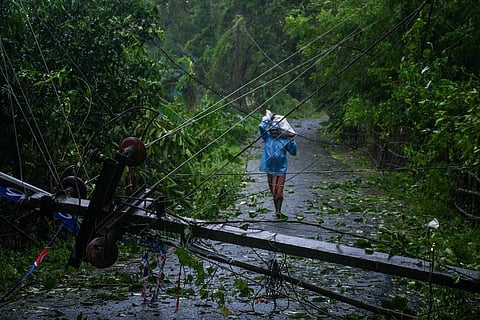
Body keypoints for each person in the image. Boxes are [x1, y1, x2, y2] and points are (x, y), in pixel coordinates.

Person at [259, 115, 297, 218]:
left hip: (281, 169)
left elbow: (293, 152)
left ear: (279, 130)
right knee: (273, 191)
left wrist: (292, 141)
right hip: (270, 169)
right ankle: (276, 209)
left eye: (276, 130)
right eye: (272, 130)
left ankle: (278, 211)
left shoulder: (284, 140)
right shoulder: (267, 138)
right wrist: (268, 119)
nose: (274, 132)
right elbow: (261, 127)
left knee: (279, 192)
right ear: (270, 131)